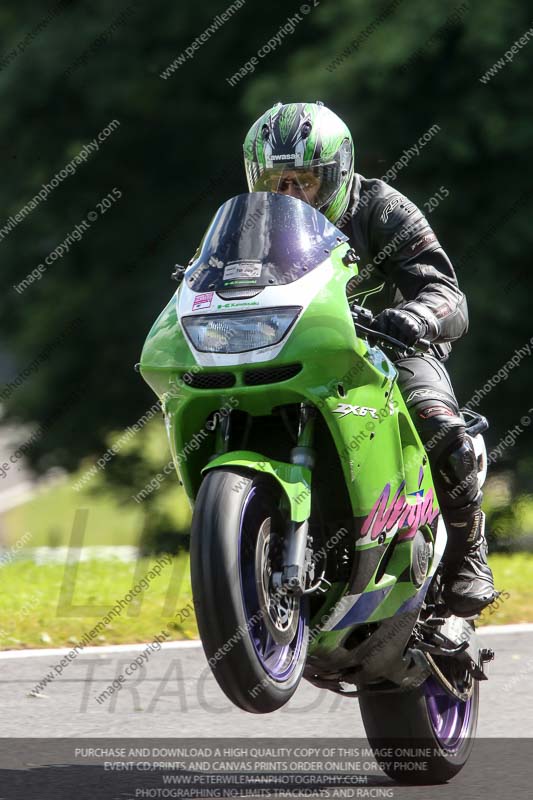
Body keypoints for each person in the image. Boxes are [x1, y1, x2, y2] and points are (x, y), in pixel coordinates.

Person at [243, 101, 497, 617]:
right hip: (295, 350)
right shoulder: (251, 228)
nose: (288, 194)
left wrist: (417, 316)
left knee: (437, 422)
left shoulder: (383, 209)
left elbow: (447, 292)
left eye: (304, 180)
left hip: (389, 350)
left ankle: (469, 551)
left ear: (337, 175)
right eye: (275, 182)